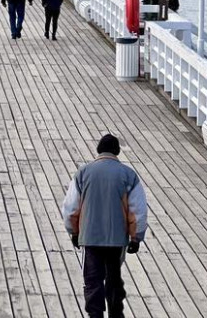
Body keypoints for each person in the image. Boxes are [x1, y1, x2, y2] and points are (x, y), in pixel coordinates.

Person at [61, 134, 149, 318]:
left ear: (99, 150)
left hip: (90, 237)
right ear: (117, 151)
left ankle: (95, 315)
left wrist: (74, 232)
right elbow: (137, 211)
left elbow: (71, 208)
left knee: (92, 281)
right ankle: (115, 313)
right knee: (113, 279)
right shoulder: (128, 175)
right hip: (116, 239)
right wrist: (136, 238)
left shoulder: (83, 173)